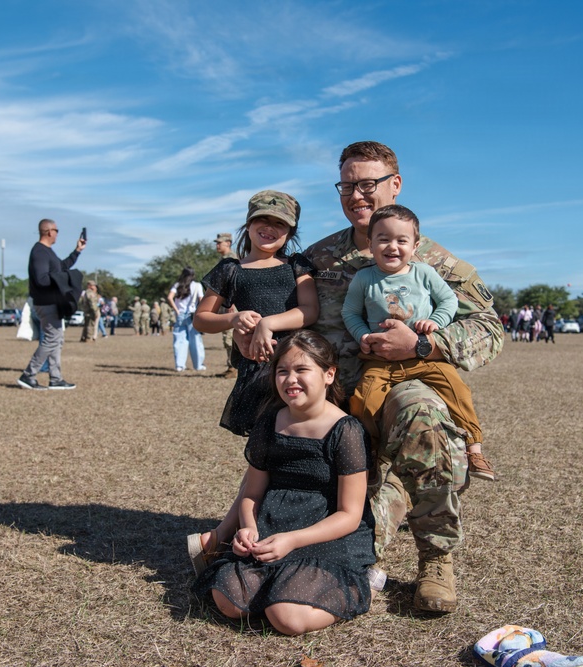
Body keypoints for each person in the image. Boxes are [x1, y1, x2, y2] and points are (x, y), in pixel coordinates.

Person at [303, 140, 502, 613]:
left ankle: (436, 558)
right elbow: (291, 314)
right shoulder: (318, 258)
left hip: (408, 380)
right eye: (347, 185)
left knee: (423, 413)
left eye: (368, 184)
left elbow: (489, 327)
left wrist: (425, 344)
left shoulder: (435, 261)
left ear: (396, 185)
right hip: (337, 394)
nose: (357, 195)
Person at [194, 329, 375, 636]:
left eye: (302, 370)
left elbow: (350, 514)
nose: (291, 380)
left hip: (325, 537)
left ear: (329, 374)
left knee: (287, 619)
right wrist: (248, 527)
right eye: (282, 371)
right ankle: (282, 590)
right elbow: (251, 493)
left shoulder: (346, 431)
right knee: (228, 601)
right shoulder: (269, 421)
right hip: (272, 527)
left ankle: (357, 582)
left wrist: (293, 540)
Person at [341, 204, 494, 482]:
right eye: (383, 239)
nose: (392, 246)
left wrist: (434, 323)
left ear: (415, 245)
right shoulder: (364, 278)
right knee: (362, 402)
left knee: (457, 390)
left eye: (402, 240)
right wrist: (362, 335)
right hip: (380, 360)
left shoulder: (424, 273)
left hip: (423, 357)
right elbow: (349, 312)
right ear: (370, 243)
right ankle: (371, 456)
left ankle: (474, 448)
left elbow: (448, 301)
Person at [193, 191, 318, 435]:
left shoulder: (296, 264)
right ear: (248, 224)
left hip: (298, 364)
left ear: (290, 232)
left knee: (301, 436)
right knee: (262, 442)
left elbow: (310, 310)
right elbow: (201, 319)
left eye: (280, 223)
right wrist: (233, 318)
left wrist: (268, 323)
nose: (270, 228)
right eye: (263, 220)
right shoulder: (230, 269)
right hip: (256, 370)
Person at [18, 218, 85, 390]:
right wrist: (63, 280)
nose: (57, 234)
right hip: (46, 302)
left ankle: (56, 378)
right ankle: (28, 375)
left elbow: (61, 268)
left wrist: (77, 251)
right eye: (57, 230)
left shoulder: (48, 252)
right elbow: (42, 279)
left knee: (57, 339)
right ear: (49, 231)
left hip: (52, 303)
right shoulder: (39, 252)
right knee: (51, 339)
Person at [166, 267, 205, 372]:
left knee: (179, 340)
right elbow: (201, 300)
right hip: (193, 315)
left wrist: (176, 310)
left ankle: (180, 365)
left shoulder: (177, 285)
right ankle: (198, 365)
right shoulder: (197, 285)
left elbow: (169, 297)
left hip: (180, 314)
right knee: (196, 340)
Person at [213, 232, 240, 379]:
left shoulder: (232, 259)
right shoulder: (224, 259)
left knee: (230, 337)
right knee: (226, 336)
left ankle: (234, 367)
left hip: (231, 304)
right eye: (217, 243)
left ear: (228, 243)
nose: (217, 245)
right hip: (226, 303)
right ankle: (230, 366)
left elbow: (235, 283)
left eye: (220, 243)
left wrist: (232, 301)